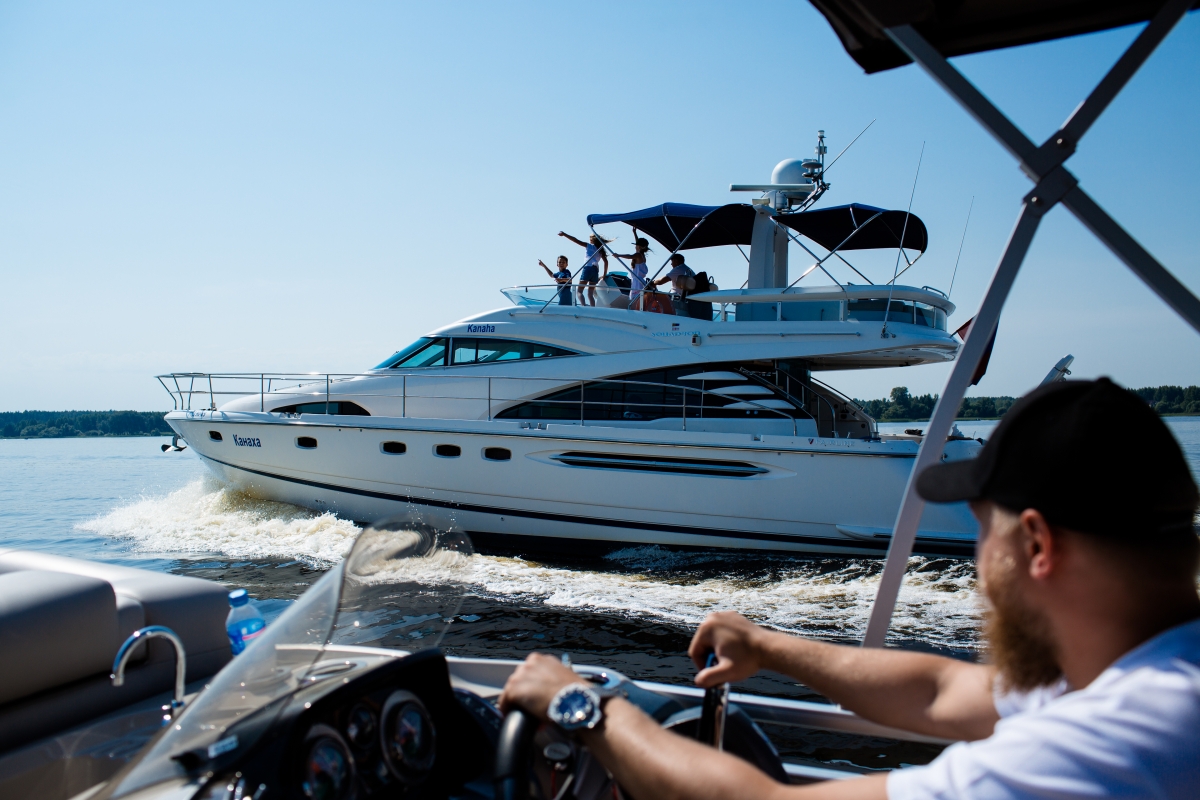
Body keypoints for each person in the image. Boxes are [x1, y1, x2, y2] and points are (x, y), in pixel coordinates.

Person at [501, 377, 1200, 799]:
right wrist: (767, 647)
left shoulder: (1116, 748)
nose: (981, 564)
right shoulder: (1138, 672)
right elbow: (942, 691)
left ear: (1038, 546)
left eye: (983, 529)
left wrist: (583, 707)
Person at [559, 231, 609, 306]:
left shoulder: (589, 246)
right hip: (595, 271)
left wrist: (564, 234)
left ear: (592, 240)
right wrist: (604, 275)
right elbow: (606, 262)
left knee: (579, 291)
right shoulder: (600, 250)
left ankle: (583, 306)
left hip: (588, 268)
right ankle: (592, 309)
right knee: (590, 294)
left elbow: (575, 240)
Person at [610, 236, 651, 309]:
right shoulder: (642, 256)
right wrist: (634, 233)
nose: (635, 246)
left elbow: (630, 256)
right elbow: (638, 244)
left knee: (635, 301)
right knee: (637, 300)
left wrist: (618, 255)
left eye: (636, 245)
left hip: (637, 282)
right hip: (640, 281)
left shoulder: (638, 255)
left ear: (639, 247)